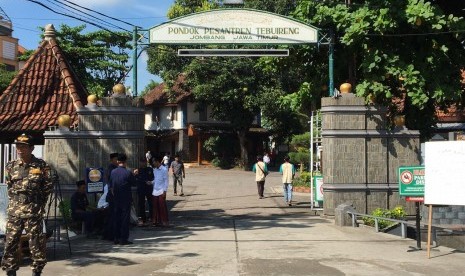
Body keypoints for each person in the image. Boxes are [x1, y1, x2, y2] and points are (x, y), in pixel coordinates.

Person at [1, 134, 56, 276]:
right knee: (10, 243)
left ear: (31, 148)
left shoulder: (42, 166)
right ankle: (10, 271)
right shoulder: (11, 166)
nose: (20, 149)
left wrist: (37, 204)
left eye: (23, 146)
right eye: (18, 146)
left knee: (36, 245)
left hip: (33, 211)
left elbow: (47, 188)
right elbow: (10, 187)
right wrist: (15, 204)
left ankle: (37, 272)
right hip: (15, 212)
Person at [110, 153, 136, 245]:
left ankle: (116, 238)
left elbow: (112, 185)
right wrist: (134, 174)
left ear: (117, 161)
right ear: (125, 162)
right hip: (126, 199)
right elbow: (134, 183)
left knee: (117, 218)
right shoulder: (128, 172)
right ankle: (123, 239)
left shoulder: (113, 172)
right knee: (125, 219)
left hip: (116, 198)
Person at [102, 152, 118, 241]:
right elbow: (110, 182)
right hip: (112, 194)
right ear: (111, 160)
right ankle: (109, 234)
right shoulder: (111, 169)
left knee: (112, 216)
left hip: (113, 194)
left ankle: (109, 234)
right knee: (111, 216)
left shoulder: (115, 168)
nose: (117, 161)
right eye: (115, 159)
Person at [134, 157, 154, 226]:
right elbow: (135, 180)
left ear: (146, 162)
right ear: (140, 163)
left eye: (144, 162)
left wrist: (150, 182)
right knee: (141, 204)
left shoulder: (150, 169)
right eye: (141, 162)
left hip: (149, 189)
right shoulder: (138, 170)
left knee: (151, 203)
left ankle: (151, 217)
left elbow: (153, 178)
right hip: (141, 189)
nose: (143, 163)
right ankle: (143, 218)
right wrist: (135, 174)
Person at [151, 156, 169, 227]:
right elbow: (156, 179)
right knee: (155, 207)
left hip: (161, 190)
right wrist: (151, 182)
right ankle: (156, 221)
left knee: (162, 207)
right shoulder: (155, 170)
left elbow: (166, 181)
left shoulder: (164, 169)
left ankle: (164, 221)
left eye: (154, 162)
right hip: (155, 190)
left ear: (157, 161)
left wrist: (165, 191)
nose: (153, 163)